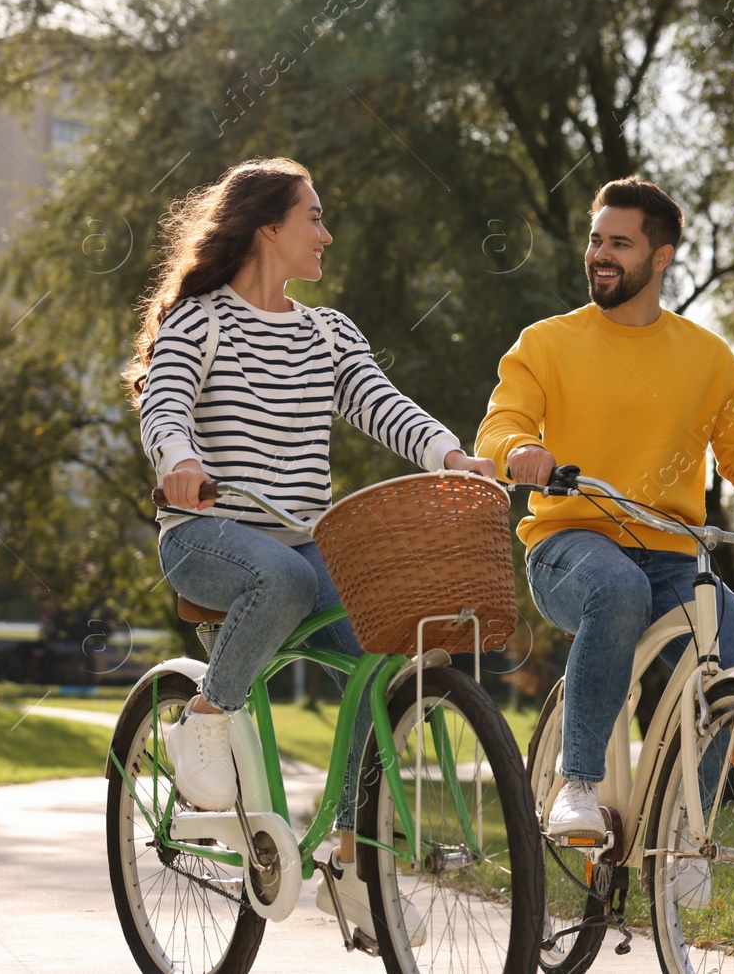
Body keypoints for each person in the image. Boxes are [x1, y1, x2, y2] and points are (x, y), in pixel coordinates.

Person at [126, 156, 493, 936]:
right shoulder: (204, 317)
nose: (326, 234)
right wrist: (180, 462)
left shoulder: (327, 331)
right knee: (286, 577)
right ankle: (205, 714)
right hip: (208, 536)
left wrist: (449, 454)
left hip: (301, 546)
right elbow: (165, 403)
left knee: (388, 653)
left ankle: (356, 861)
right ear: (269, 228)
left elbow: (379, 402)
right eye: (313, 218)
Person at [474, 176, 734, 849]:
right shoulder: (545, 343)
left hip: (673, 554)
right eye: (596, 240)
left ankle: (686, 835)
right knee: (617, 587)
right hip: (570, 544)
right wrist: (522, 449)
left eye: (620, 244)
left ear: (660, 258)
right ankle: (578, 785)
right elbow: (500, 424)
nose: (601, 254)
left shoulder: (706, 357)